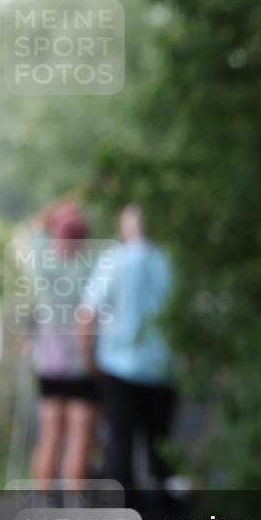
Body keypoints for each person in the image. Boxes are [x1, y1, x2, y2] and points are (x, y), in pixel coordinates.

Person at [78, 203, 176, 491]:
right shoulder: (169, 261)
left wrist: (89, 360)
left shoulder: (113, 260)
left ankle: (123, 514)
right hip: (161, 368)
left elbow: (86, 314)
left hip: (118, 367)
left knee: (120, 444)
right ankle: (165, 516)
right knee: (160, 447)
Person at [27, 201, 100, 482]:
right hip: (83, 365)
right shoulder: (90, 268)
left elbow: (37, 222)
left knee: (49, 438)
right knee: (80, 441)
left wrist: (65, 204)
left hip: (49, 365)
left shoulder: (44, 264)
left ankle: (43, 508)